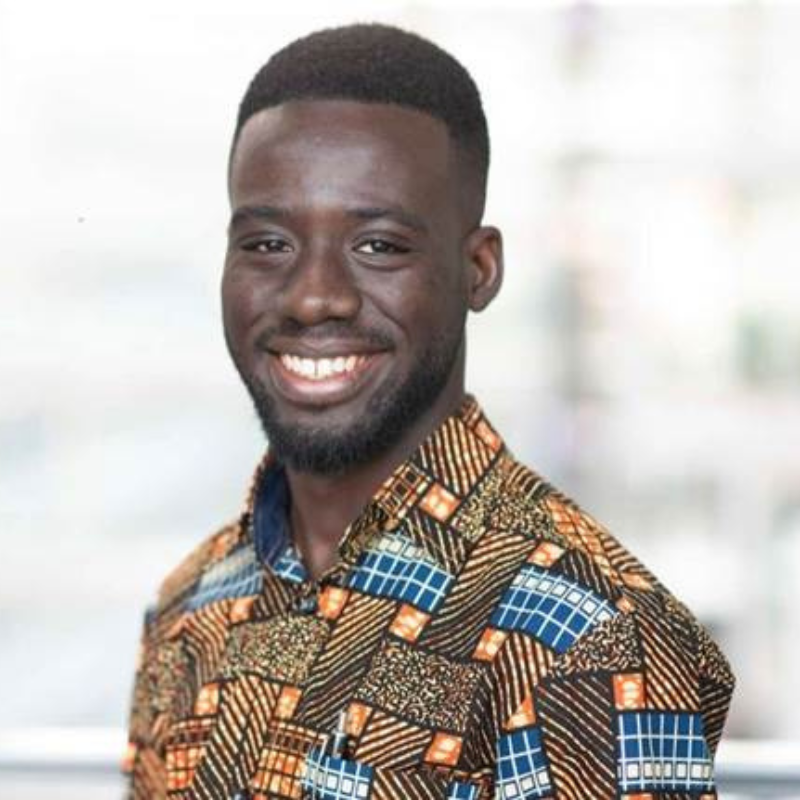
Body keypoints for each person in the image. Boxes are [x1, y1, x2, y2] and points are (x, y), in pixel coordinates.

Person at [123, 23, 735, 800]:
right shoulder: (190, 608)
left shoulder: (592, 634)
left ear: (477, 270)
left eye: (377, 246)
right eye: (269, 244)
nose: (314, 297)